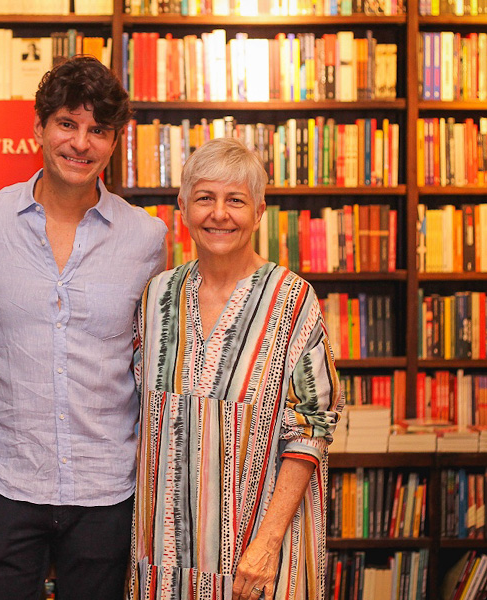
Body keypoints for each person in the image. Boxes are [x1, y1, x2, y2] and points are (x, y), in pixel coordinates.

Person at [0, 55, 168, 600]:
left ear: (114, 142)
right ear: (39, 127)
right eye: (67, 123)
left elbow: (150, 357)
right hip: (5, 471)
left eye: (98, 130)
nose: (80, 143)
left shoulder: (146, 238)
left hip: (106, 482)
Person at [129, 137, 344, 600]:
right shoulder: (156, 296)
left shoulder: (293, 301)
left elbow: (311, 428)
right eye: (205, 198)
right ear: (182, 207)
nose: (219, 214)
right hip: (164, 558)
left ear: (259, 211)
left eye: (236, 201)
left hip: (257, 557)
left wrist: (267, 543)